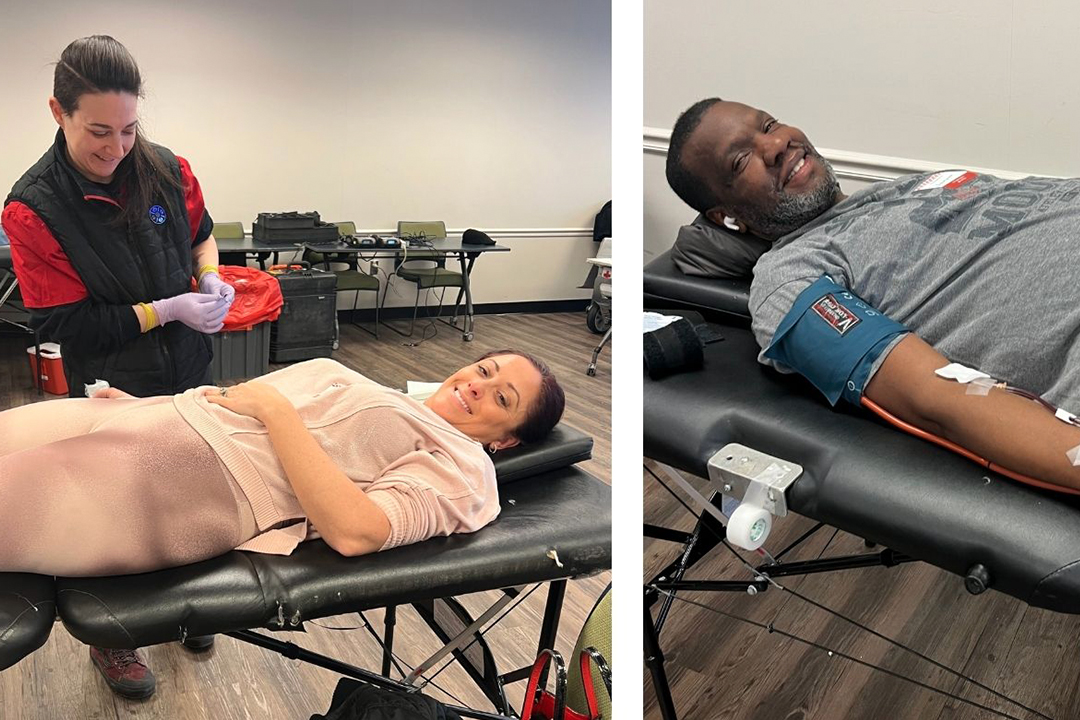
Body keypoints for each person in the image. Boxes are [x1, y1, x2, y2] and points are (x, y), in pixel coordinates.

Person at [0, 351, 564, 684]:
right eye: (485, 370)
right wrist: (142, 405)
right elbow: (234, 398)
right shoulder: (394, 395)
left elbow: (358, 529)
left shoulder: (465, 469)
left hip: (192, 476)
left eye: (502, 398)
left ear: (508, 441)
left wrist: (277, 413)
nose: (477, 385)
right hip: (163, 416)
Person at [665, 97, 1080, 494]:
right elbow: (936, 401)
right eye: (740, 161)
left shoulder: (905, 188)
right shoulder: (791, 275)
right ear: (726, 217)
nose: (776, 145)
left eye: (769, 125)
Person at [0, 34, 233, 697]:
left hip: (185, 368)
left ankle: (193, 606)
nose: (116, 147)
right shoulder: (33, 208)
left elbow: (201, 233)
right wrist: (170, 308)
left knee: (191, 492)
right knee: (114, 512)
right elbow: (68, 327)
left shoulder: (166, 168)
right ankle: (114, 639)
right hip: (105, 383)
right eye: (98, 131)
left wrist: (211, 282)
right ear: (58, 111)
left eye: (128, 129)